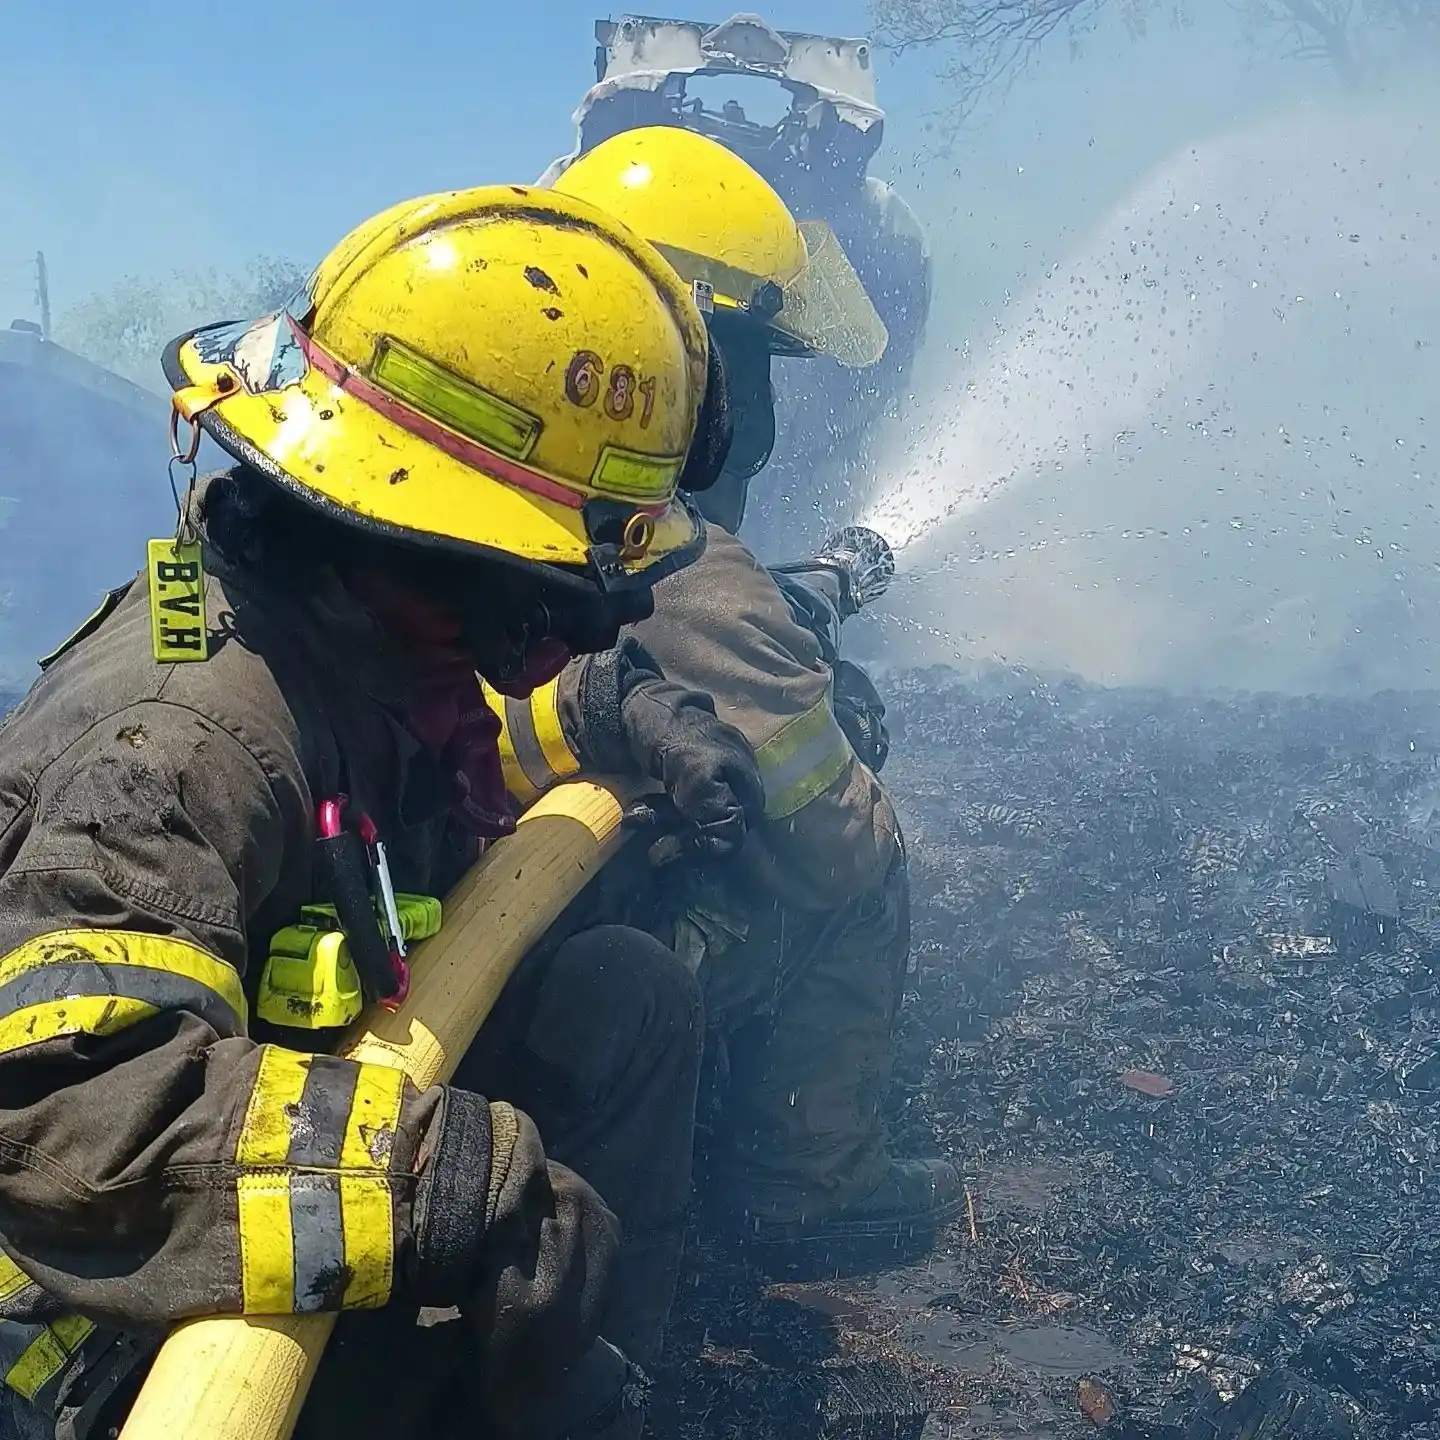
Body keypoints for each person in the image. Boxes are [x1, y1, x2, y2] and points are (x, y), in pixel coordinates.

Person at [0, 184, 763, 1440]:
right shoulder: (182, 741)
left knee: (627, 997)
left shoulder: (340, 618)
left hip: (277, 1114)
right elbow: (75, 1111)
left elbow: (430, 740)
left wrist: (623, 716)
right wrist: (437, 1181)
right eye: (561, 568)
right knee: (509, 1226)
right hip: (99, 1334)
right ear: (442, 540)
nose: (587, 612)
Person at [485, 129, 962, 1269]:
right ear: (684, 378)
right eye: (746, 373)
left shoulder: (483, 502)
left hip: (424, 988)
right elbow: (838, 851)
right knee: (853, 856)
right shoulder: (694, 578)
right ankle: (810, 1180)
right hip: (550, 1014)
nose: (759, 416)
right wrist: (828, 726)